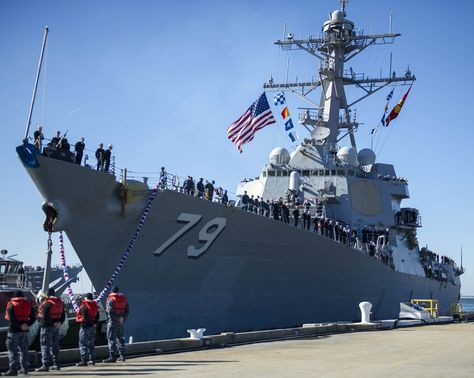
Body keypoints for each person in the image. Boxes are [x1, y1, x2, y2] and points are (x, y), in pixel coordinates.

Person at [4, 290, 36, 376]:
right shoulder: (28, 305)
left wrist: (19, 325)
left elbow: (12, 319)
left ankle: (13, 370)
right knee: (24, 350)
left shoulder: (11, 305)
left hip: (13, 331)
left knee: (12, 351)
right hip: (24, 332)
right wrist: (27, 324)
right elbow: (34, 317)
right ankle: (24, 369)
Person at [36, 288, 66, 372]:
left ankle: (45, 365)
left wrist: (52, 323)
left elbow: (44, 317)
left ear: (47, 294)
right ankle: (56, 364)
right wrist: (59, 322)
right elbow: (63, 315)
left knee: (45, 345)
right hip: (56, 328)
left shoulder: (46, 304)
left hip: (47, 328)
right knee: (55, 345)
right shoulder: (60, 303)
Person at [103, 287, 129, 363]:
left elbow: (110, 312)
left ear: (112, 291)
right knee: (120, 339)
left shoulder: (111, 300)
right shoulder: (124, 299)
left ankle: (112, 357)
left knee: (111, 339)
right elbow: (127, 310)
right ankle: (122, 356)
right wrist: (123, 318)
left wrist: (115, 319)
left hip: (112, 322)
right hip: (121, 322)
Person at [75, 293, 100, 367]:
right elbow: (97, 316)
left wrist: (89, 323)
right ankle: (92, 359)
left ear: (85, 298)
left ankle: (84, 361)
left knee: (83, 344)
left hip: (85, 327)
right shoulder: (95, 305)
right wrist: (94, 323)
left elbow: (85, 318)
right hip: (93, 328)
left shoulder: (84, 306)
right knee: (91, 343)